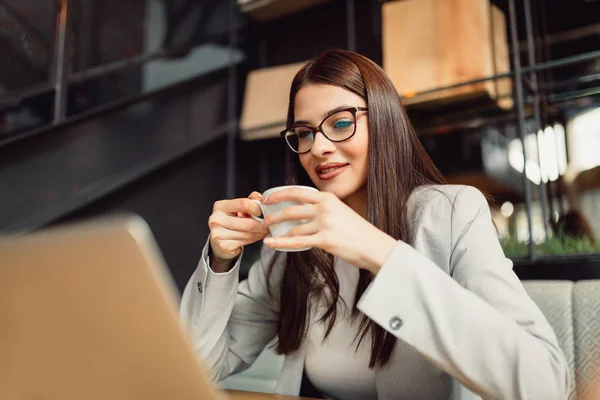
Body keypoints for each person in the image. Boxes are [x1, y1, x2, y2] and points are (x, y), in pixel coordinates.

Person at [180, 49, 569, 400]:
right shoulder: (293, 248)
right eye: (303, 133)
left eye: (340, 123)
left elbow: (546, 386)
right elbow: (197, 369)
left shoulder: (450, 214)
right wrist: (221, 260)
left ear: (383, 120)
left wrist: (378, 251)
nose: (318, 147)